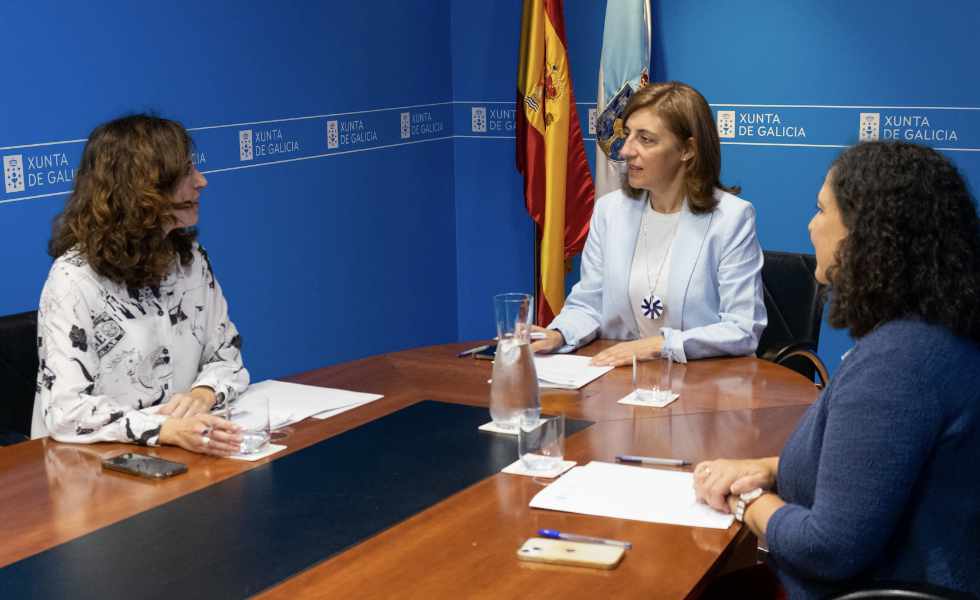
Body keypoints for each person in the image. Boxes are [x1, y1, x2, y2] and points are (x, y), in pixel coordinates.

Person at [693, 142, 980, 599]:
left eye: (822, 210)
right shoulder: (932, 336)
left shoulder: (897, 365)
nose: (811, 226)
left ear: (868, 234)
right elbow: (872, 469)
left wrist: (747, 501)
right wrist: (766, 469)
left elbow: (827, 548)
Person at [31, 114, 248, 456]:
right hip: (89, 465)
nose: (202, 181)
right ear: (141, 189)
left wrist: (203, 393)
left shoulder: (190, 260)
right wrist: (164, 429)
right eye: (185, 172)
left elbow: (227, 357)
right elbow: (66, 411)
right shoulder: (72, 279)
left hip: (180, 451)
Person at [531, 82, 766, 365]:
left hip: (703, 380)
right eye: (627, 135)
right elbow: (589, 303)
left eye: (645, 139)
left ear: (687, 150)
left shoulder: (731, 219)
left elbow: (742, 328)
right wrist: (560, 333)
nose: (625, 150)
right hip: (620, 379)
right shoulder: (610, 211)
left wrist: (662, 345)